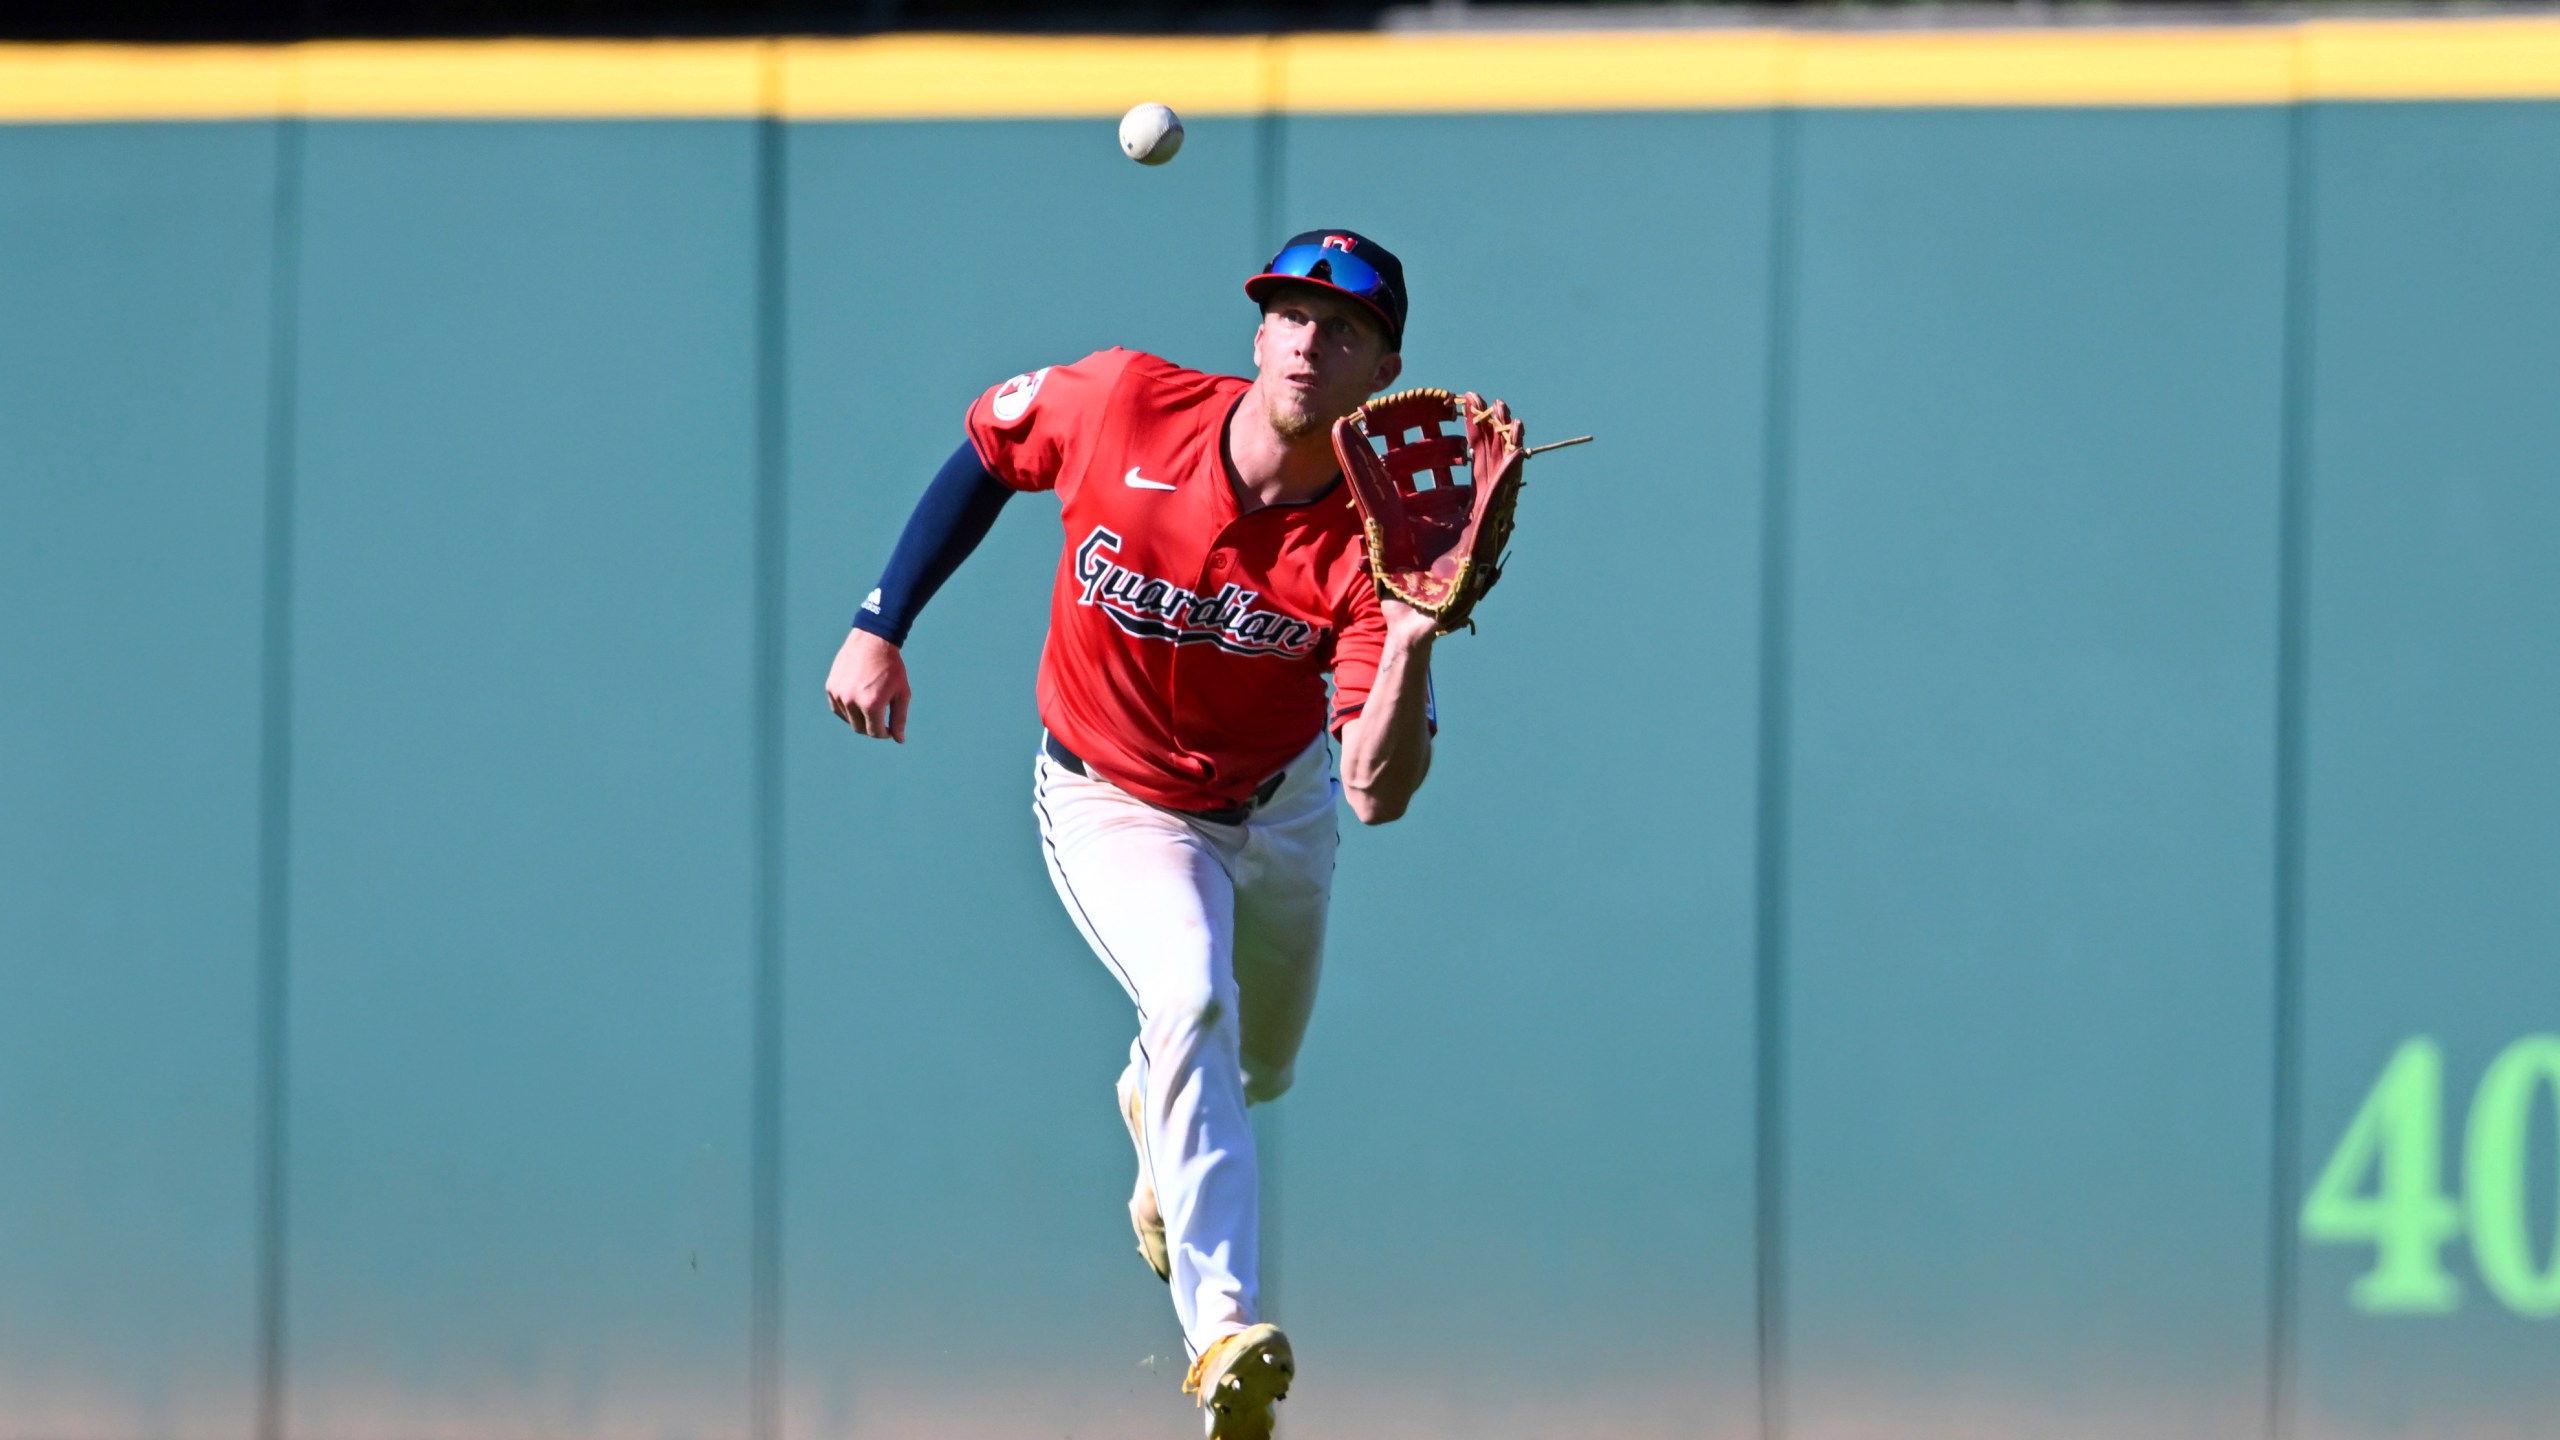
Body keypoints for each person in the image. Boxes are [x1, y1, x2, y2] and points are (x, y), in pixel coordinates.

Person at [824, 230, 1440, 1440]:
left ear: (1386, 370)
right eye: (1291, 314)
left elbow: (1377, 791)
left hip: (1282, 807)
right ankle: (1222, 1338)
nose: (1311, 341)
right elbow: (989, 450)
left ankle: (1150, 1113)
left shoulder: (1377, 543)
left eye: (1346, 329)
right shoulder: (1124, 404)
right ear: (1257, 332)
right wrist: (879, 618)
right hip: (1114, 797)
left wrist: (1414, 638)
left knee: (1255, 1069)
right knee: (1191, 1003)